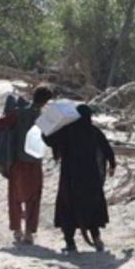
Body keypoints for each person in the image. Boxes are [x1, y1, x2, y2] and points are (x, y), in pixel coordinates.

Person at [43, 104, 116, 254]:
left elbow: (48, 139)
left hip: (70, 178)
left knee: (68, 208)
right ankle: (96, 238)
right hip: (91, 178)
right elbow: (107, 149)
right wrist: (112, 165)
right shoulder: (94, 131)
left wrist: (47, 124)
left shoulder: (67, 131)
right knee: (91, 208)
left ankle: (70, 243)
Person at [0, 86, 53, 244]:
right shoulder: (45, 118)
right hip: (34, 163)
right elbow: (50, 139)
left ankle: (17, 230)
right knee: (34, 198)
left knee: (15, 198)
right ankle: (29, 233)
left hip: (17, 162)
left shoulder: (18, 113)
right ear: (46, 102)